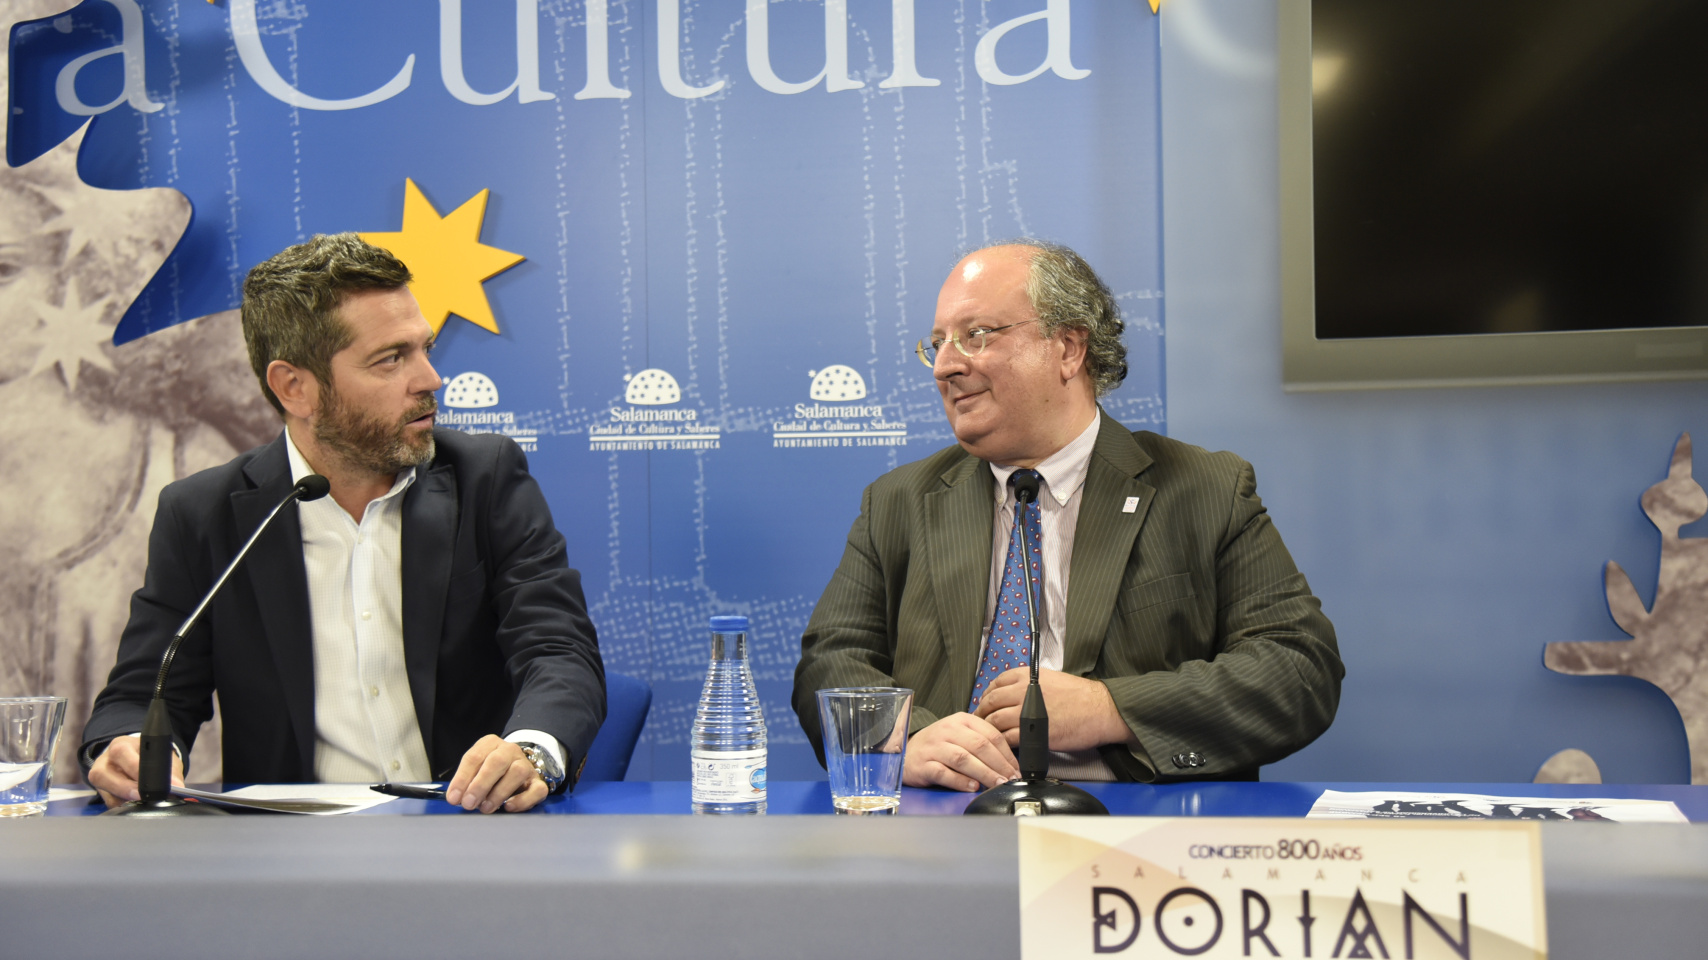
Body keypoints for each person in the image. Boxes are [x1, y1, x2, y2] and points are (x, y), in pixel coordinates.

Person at [81, 234, 605, 814]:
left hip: (467, 823)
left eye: (425, 349)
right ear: (294, 387)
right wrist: (130, 747)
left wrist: (529, 750)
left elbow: (558, 650)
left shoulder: (485, 478)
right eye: (391, 359)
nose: (430, 379)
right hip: (292, 845)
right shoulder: (205, 515)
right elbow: (143, 693)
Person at [792, 241, 1342, 790]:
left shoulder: (1203, 489)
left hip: (1129, 818)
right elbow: (829, 663)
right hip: (950, 814)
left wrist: (1110, 708)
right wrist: (905, 739)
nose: (945, 366)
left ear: (1069, 349)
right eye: (937, 344)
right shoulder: (899, 501)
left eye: (976, 335)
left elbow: (1298, 668)